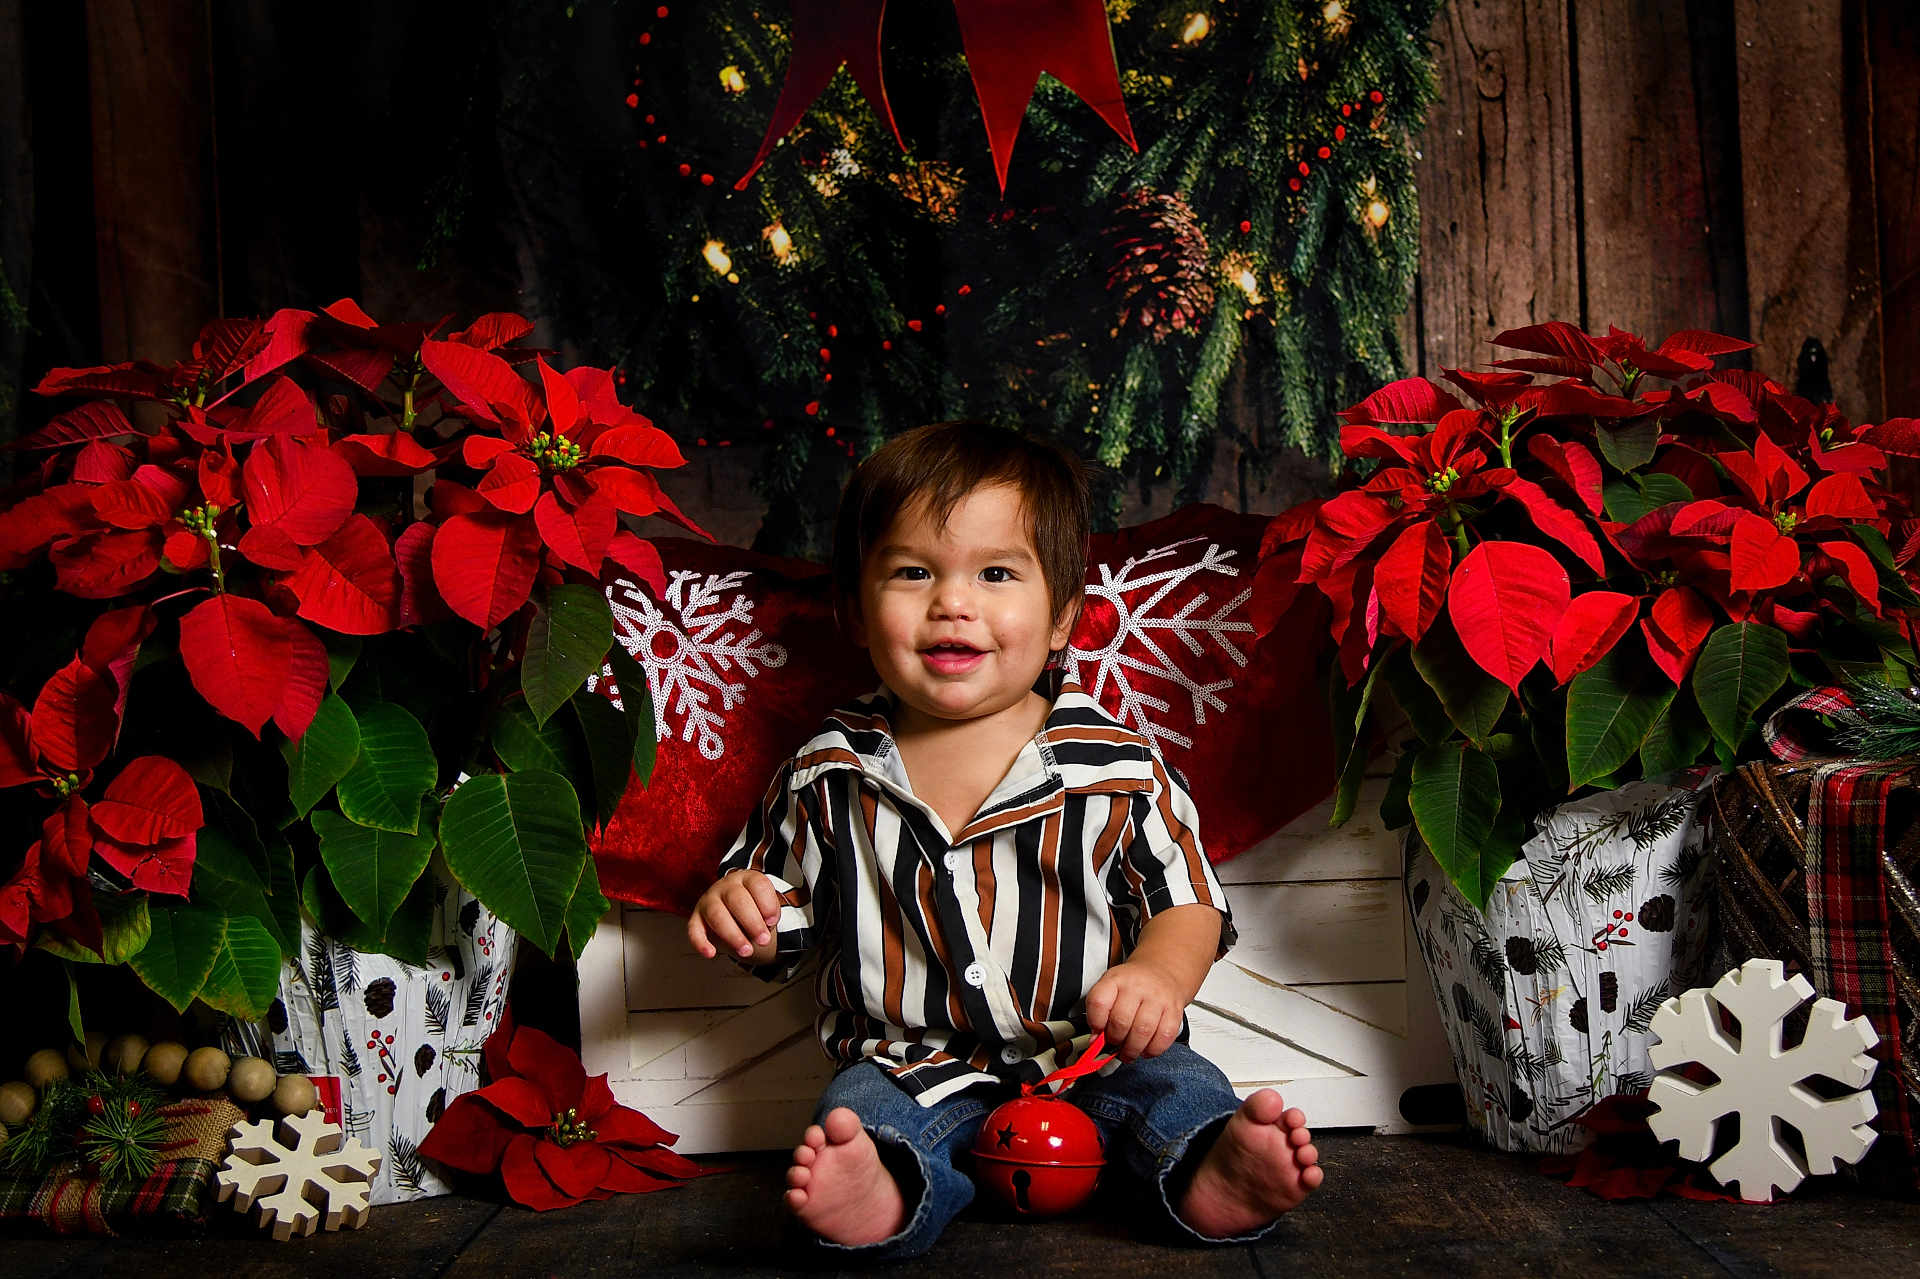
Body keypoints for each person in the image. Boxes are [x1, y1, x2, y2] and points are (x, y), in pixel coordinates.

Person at [686, 422, 1320, 1259]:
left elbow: (1188, 899)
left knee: (1177, 1089)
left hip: (1096, 1054)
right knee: (861, 1112)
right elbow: (785, 920)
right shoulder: (825, 773)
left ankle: (1209, 1168)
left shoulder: (1119, 770)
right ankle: (882, 1188)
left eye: (995, 573)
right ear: (853, 610)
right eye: (913, 571)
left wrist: (1160, 973)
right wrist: (747, 910)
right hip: (913, 1062)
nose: (953, 601)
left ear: (1063, 618)